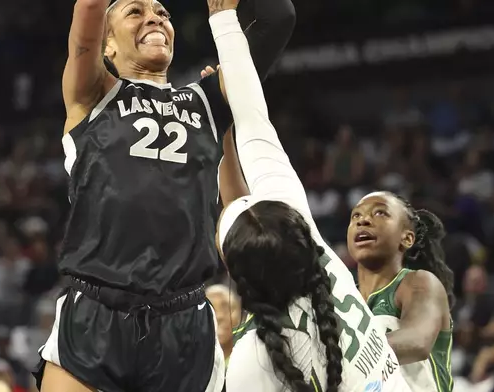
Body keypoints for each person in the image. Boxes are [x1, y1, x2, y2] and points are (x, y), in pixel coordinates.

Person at [34, 0, 297, 391]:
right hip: (96, 310)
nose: (155, 17)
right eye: (135, 12)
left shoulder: (208, 101)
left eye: (162, 13)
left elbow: (279, 18)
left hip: (184, 319)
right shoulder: (92, 93)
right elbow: (88, 6)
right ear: (107, 45)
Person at [206, 9, 411, 391]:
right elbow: (255, 120)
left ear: (237, 276)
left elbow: (235, 216)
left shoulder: (254, 361)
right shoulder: (320, 262)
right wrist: (223, 20)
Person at [347, 192, 454, 392]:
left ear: (406, 238)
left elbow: (417, 342)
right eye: (356, 216)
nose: (364, 221)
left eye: (380, 213)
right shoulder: (343, 298)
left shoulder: (419, 283)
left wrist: (342, 354)